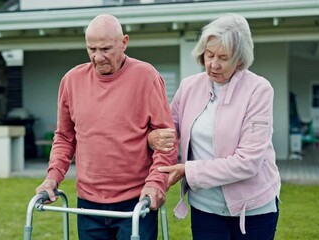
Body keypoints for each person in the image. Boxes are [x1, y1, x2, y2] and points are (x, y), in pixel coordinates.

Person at [35, 14, 178, 240]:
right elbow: (64, 138)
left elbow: (167, 141)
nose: (98, 57)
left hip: (137, 201)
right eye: (91, 49)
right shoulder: (71, 81)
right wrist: (52, 177)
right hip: (88, 203)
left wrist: (156, 184)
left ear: (124, 43)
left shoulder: (146, 76)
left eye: (105, 49)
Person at [148, 13, 281, 239]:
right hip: (205, 209)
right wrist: (153, 138)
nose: (214, 64)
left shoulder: (259, 90)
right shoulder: (189, 87)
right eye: (209, 55)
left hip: (253, 209)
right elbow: (170, 132)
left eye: (223, 57)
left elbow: (248, 163)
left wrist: (188, 170)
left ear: (239, 59)